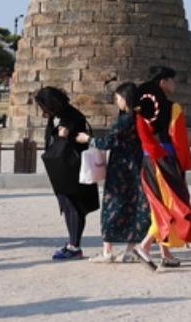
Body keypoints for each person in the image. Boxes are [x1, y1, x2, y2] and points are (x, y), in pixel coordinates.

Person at [75, 82, 151, 263]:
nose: (116, 101)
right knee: (135, 207)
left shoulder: (125, 120)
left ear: (125, 99)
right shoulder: (138, 117)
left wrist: (87, 139)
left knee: (112, 206)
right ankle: (130, 249)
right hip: (136, 166)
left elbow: (107, 143)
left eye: (118, 98)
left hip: (120, 169)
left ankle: (107, 250)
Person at [133, 75, 191, 269]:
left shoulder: (142, 108)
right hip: (167, 161)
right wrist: (183, 163)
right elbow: (179, 140)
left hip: (149, 159)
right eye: (171, 80)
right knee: (171, 205)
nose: (174, 84)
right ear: (162, 82)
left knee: (158, 204)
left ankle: (166, 253)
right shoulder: (173, 108)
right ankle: (144, 246)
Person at [36, 86, 100, 260]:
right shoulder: (56, 116)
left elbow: (72, 140)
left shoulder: (71, 116)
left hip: (73, 167)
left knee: (73, 204)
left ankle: (74, 246)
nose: (43, 111)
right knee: (67, 204)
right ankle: (73, 244)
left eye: (44, 106)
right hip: (61, 167)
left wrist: (65, 136)